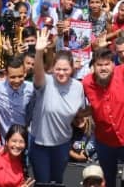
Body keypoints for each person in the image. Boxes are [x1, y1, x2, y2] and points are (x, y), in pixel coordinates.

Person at [82, 20, 124, 187]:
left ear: (113, 64)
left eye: (107, 64)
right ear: (94, 67)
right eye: (99, 65)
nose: (103, 68)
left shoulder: (123, 73)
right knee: (109, 181)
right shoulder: (86, 82)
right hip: (104, 143)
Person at [30, 30, 87, 183]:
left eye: (65, 69)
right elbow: (38, 74)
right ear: (53, 69)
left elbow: (80, 112)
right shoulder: (46, 81)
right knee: (43, 183)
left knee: (58, 182)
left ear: (72, 69)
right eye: (58, 69)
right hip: (40, 144)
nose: (61, 73)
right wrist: (39, 52)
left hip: (62, 145)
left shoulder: (78, 87)